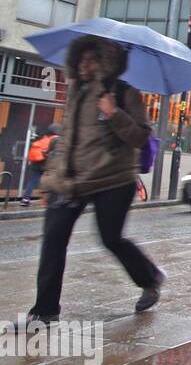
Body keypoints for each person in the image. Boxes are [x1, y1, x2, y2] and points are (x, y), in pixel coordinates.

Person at [27, 37, 163, 324]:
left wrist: (114, 114)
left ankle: (149, 278)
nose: (85, 65)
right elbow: (66, 142)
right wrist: (50, 180)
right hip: (72, 181)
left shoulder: (124, 93)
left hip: (112, 180)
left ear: (107, 63)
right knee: (53, 240)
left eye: (93, 60)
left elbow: (140, 137)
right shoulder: (75, 92)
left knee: (111, 238)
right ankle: (44, 311)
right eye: (82, 59)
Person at [21, 124, 59, 205]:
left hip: (36, 163)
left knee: (33, 180)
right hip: (46, 164)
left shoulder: (44, 138)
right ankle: (47, 201)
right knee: (49, 182)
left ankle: (25, 199)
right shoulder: (55, 139)